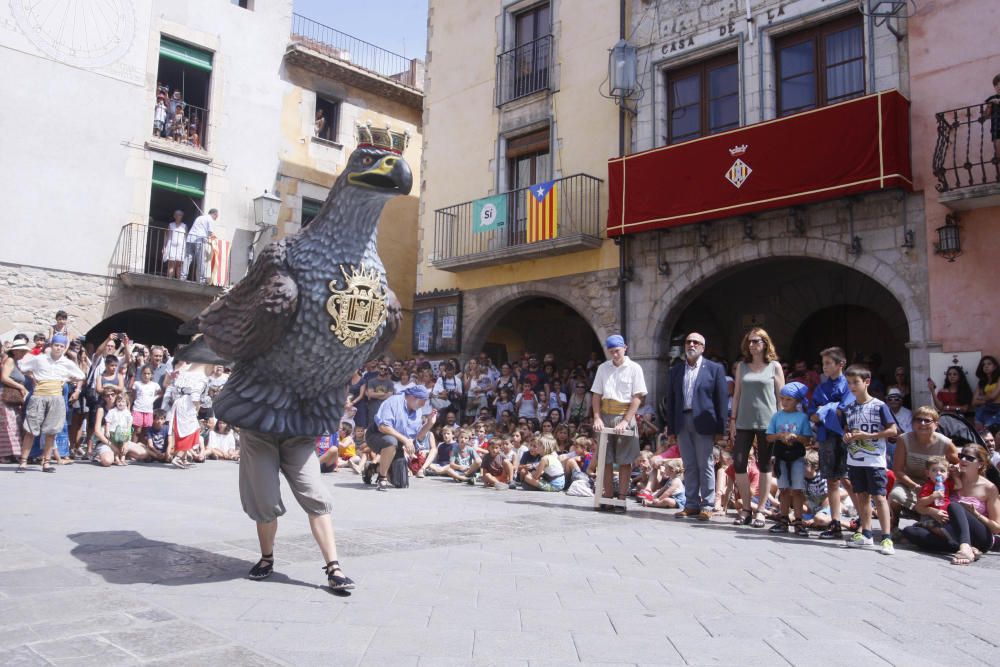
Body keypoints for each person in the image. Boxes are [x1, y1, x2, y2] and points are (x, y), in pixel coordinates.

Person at [664, 332, 727, 521]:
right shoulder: (676, 370)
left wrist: (720, 429)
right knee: (689, 465)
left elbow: (721, 400)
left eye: (696, 342)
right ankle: (691, 504)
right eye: (688, 342)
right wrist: (671, 429)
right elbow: (672, 400)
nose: (691, 345)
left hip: (704, 422)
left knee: (705, 464)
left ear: (703, 347)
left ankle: (707, 505)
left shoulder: (714, 369)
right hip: (683, 420)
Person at [903, 444, 1000, 565]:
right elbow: (919, 507)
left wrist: (975, 514)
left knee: (954, 506)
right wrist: (933, 512)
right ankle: (966, 548)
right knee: (910, 531)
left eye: (969, 458)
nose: (963, 460)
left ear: (980, 464)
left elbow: (997, 528)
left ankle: (965, 546)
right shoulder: (950, 479)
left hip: (980, 536)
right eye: (962, 456)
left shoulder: (989, 488)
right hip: (952, 532)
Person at [729, 327, 785, 528]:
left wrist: (781, 421)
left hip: (768, 421)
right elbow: (736, 395)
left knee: (765, 465)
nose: (753, 345)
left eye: (757, 341)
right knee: (739, 463)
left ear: (765, 343)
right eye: (750, 341)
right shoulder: (742, 367)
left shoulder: (775, 367)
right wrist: (732, 420)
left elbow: (781, 397)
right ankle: (746, 508)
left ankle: (761, 509)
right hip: (744, 420)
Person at [842, 364, 899, 554]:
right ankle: (866, 534)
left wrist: (867, 436)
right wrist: (847, 437)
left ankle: (886, 537)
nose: (852, 386)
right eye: (849, 383)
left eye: (855, 382)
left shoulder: (879, 406)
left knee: (880, 497)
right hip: (855, 458)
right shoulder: (848, 408)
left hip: (874, 460)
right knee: (862, 496)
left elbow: (893, 431)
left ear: (866, 382)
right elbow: (847, 431)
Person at [590, 335, 647, 513]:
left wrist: (625, 421)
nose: (615, 354)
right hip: (606, 414)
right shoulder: (603, 368)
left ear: (625, 348)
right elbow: (596, 395)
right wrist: (597, 417)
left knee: (624, 460)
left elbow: (638, 397)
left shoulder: (634, 368)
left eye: (618, 350)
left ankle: (621, 499)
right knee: (605, 459)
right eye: (612, 351)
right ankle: (607, 496)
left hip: (625, 415)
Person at [15, 334, 85, 473]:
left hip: (56, 397)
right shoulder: (40, 359)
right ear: (51, 345)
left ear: (64, 348)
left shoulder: (66, 363)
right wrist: (33, 376)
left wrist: (65, 378)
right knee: (30, 429)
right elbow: (22, 366)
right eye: (56, 345)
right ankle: (23, 462)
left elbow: (81, 375)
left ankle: (46, 462)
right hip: (39, 396)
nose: (58, 348)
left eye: (61, 346)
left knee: (51, 431)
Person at [808, 347, 855, 539]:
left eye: (828, 363)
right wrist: (828, 410)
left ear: (840, 364)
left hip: (844, 436)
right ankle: (835, 523)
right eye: (823, 363)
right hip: (826, 437)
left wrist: (827, 407)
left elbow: (844, 410)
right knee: (832, 481)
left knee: (848, 480)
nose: (824, 367)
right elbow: (812, 414)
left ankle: (863, 521)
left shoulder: (848, 385)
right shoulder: (822, 387)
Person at [888, 406, 959, 525]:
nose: (922, 423)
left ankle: (927, 520)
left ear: (936, 425)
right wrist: (915, 486)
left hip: (936, 485)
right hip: (910, 482)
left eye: (927, 420)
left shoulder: (946, 443)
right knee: (895, 495)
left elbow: (957, 464)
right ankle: (894, 523)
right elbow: (898, 471)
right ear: (913, 423)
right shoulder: (904, 439)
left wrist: (954, 469)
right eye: (918, 419)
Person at [369, 385, 438, 490]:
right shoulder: (393, 402)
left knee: (401, 483)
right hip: (376, 436)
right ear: (413, 398)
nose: (422, 406)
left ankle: (374, 468)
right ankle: (382, 478)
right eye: (421, 402)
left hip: (398, 442)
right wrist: (405, 440)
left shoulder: (417, 409)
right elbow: (383, 427)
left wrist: (429, 423)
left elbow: (418, 436)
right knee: (391, 441)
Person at [765, 382, 812, 536]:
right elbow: (769, 436)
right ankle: (783, 519)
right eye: (782, 399)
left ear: (797, 401)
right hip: (781, 457)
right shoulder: (777, 416)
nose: (784, 402)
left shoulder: (802, 417)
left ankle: (798, 520)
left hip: (797, 457)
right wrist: (780, 435)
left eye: (789, 399)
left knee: (797, 490)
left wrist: (796, 437)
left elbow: (807, 439)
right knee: (784, 490)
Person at [1, 335, 32, 461]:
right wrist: (20, 386)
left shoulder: (16, 363)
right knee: (7, 425)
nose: (23, 353)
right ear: (15, 351)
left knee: (12, 425)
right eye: (21, 351)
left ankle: (11, 453)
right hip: (5, 395)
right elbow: (4, 377)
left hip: (12, 397)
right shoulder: (10, 361)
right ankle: (4, 454)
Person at [186, 208, 218, 283]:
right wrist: (215, 240)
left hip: (190, 239)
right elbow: (210, 233)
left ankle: (182, 277)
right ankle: (201, 280)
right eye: (217, 216)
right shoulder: (210, 219)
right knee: (201, 261)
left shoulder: (199, 217)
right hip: (199, 240)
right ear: (215, 214)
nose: (216, 218)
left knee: (187, 259)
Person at [972, 355, 1000, 428]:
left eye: (989, 364)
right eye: (983, 365)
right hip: (985, 408)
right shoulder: (981, 382)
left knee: (990, 426)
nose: (986, 366)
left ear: (995, 366)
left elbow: (993, 396)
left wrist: (980, 398)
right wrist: (987, 399)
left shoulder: (999, 379)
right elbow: (974, 402)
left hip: (998, 408)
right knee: (979, 428)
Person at [163, 210, 187, 279]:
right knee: (171, 264)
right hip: (171, 246)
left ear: (182, 217)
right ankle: (169, 280)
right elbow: (167, 236)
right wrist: (164, 247)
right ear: (174, 216)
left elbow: (186, 237)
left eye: (180, 215)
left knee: (179, 265)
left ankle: (179, 281)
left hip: (180, 247)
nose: (178, 216)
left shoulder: (184, 226)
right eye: (177, 215)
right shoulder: (171, 225)